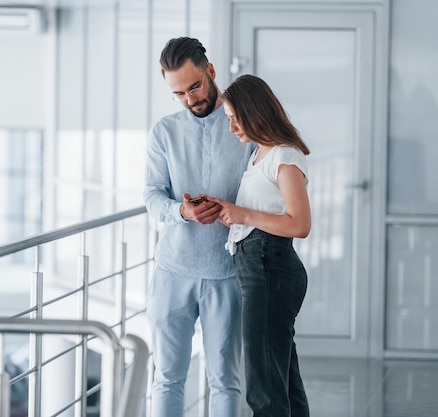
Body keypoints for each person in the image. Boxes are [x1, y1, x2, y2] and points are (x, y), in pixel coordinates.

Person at [143, 37, 255, 417]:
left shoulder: (245, 127)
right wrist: (182, 212)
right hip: (173, 270)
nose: (190, 98)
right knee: (167, 378)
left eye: (194, 86)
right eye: (179, 93)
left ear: (211, 71)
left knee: (225, 379)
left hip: (227, 272)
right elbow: (152, 196)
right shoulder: (164, 133)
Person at [207, 74, 312, 417]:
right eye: (229, 119)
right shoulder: (260, 155)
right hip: (260, 266)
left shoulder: (284, 155)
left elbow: (299, 224)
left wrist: (244, 215)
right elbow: (264, 212)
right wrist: (232, 214)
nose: (232, 127)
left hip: (270, 267)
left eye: (237, 118)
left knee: (264, 387)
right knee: (280, 378)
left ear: (257, 112)